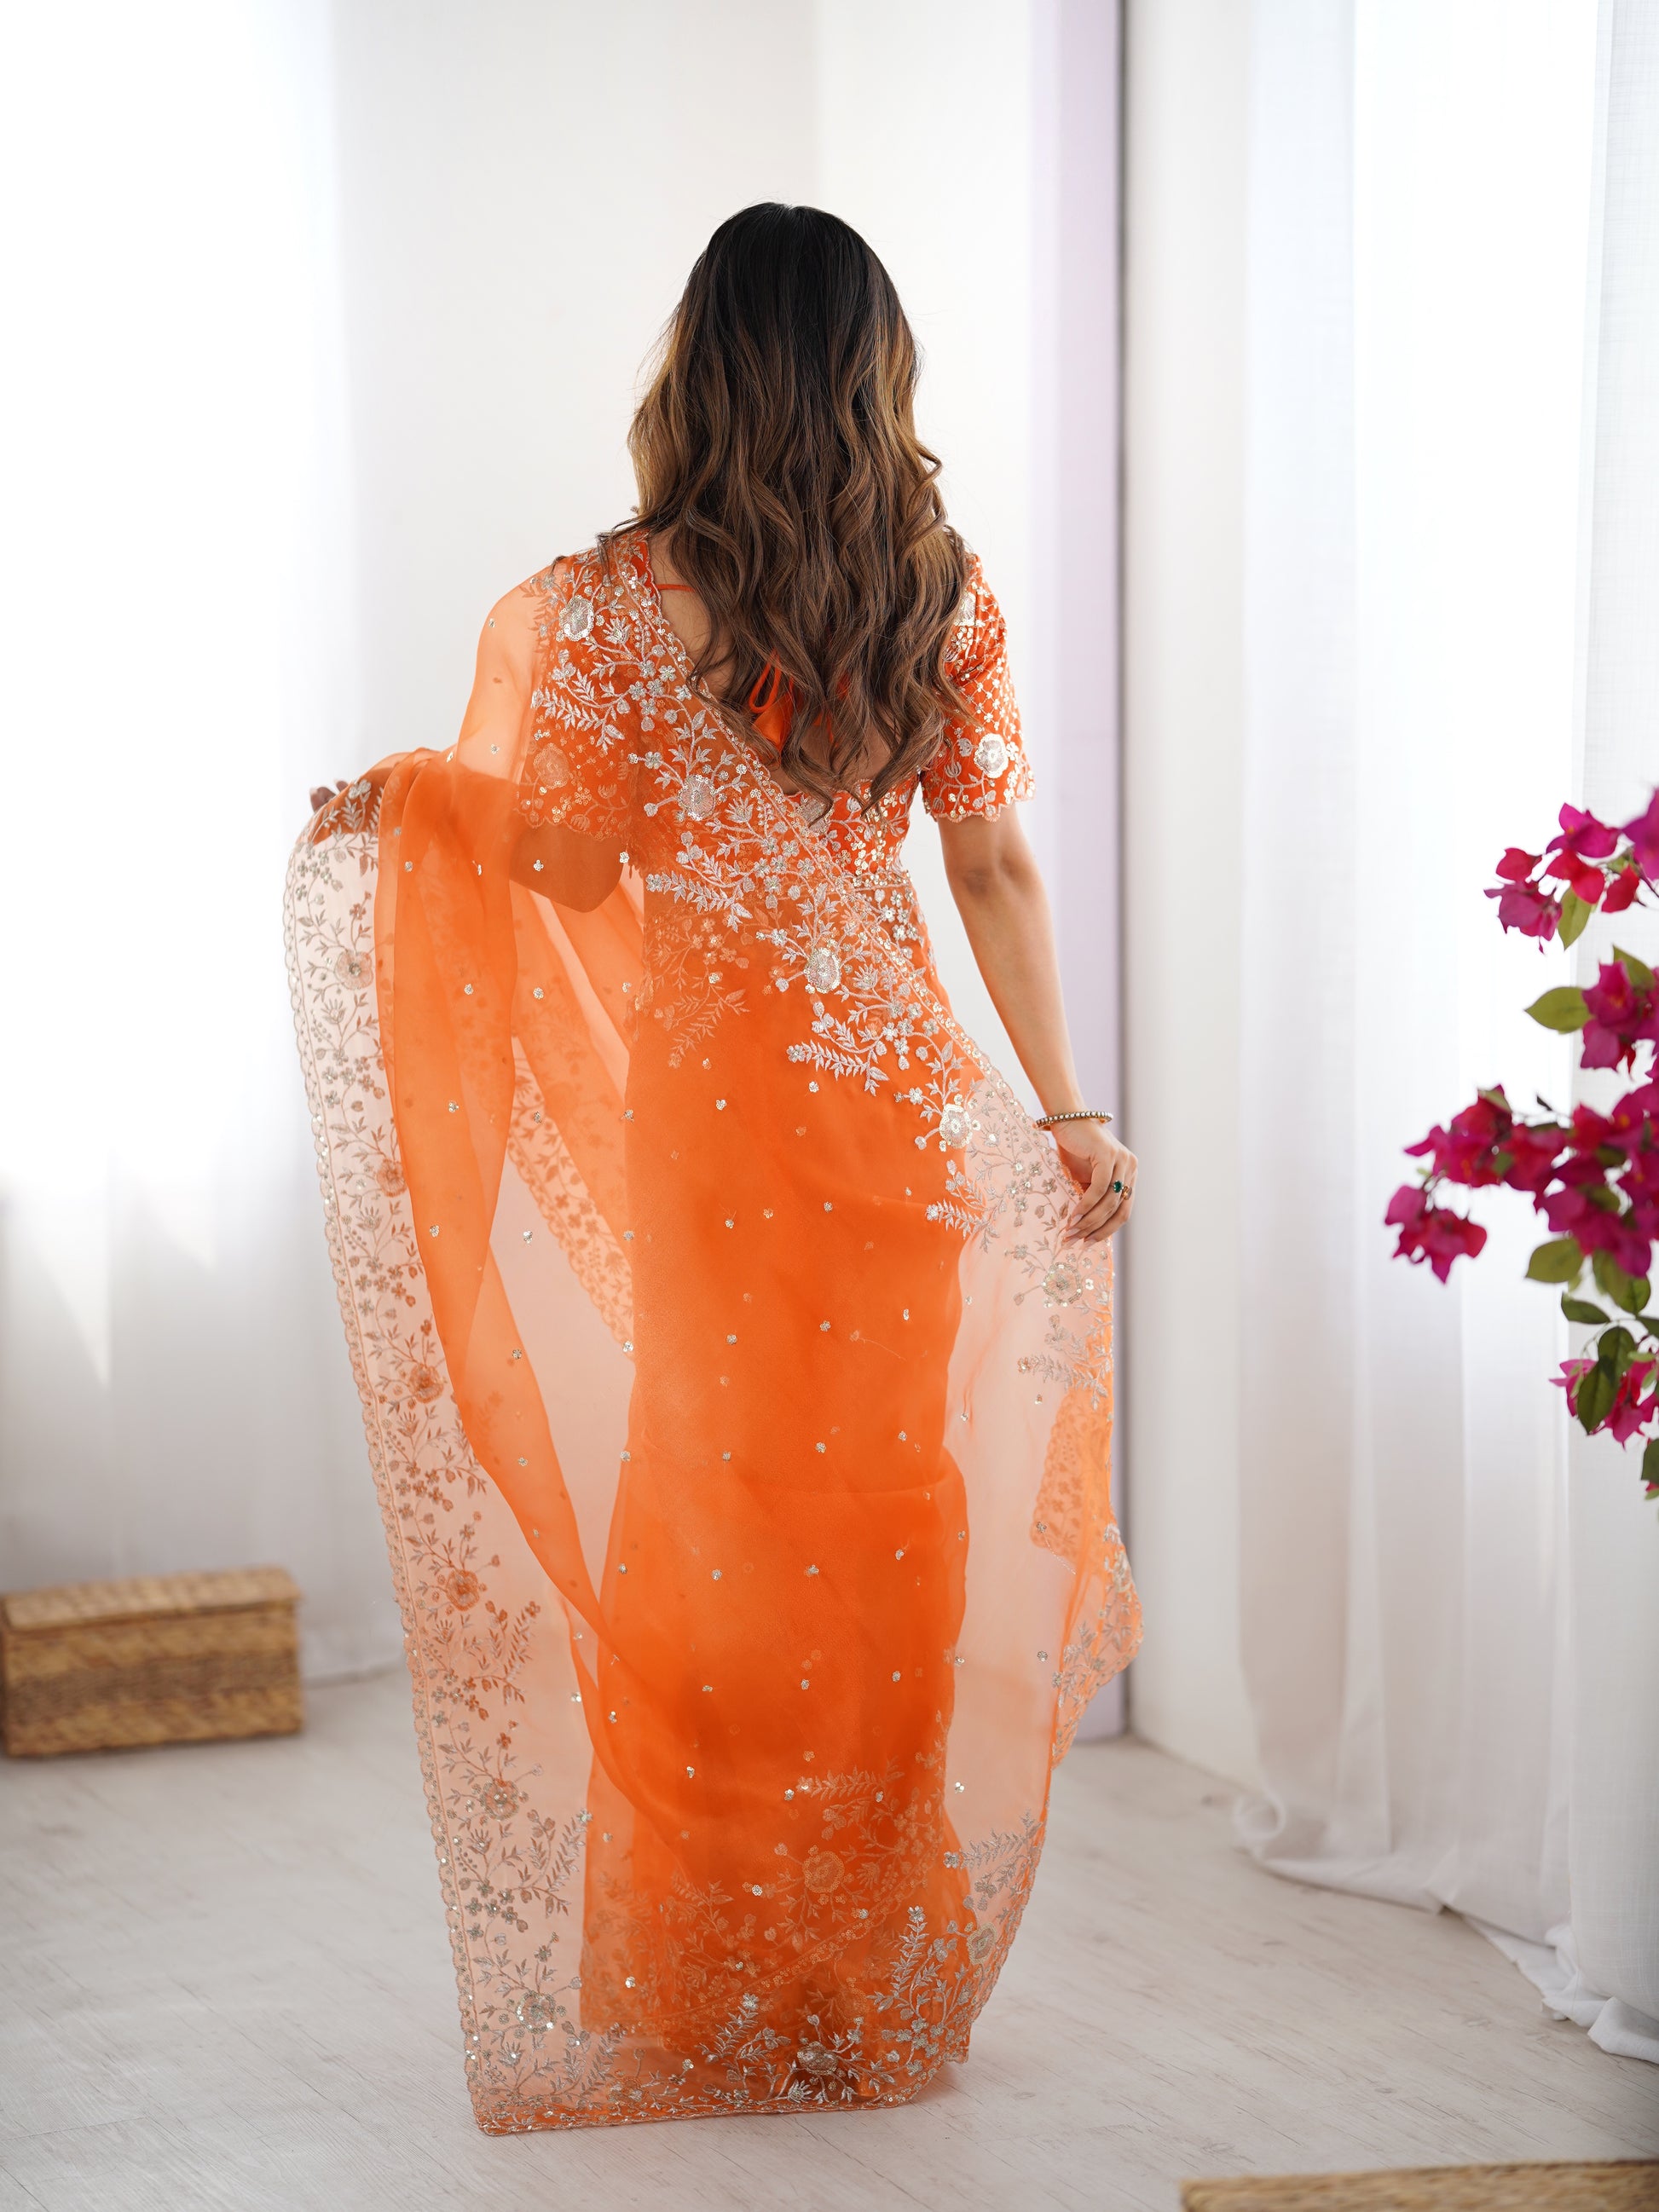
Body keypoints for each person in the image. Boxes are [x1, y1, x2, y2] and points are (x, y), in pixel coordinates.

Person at [288, 201, 1140, 2134]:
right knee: (889, 1524)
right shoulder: (937, 588)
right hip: (892, 1101)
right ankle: (854, 1973)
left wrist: (419, 806)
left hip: (715, 1121)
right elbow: (990, 864)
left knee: (718, 1521)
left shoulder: (603, 606)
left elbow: (573, 861)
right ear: (875, 370)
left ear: (698, 366)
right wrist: (1066, 1107)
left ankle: (716, 1972)